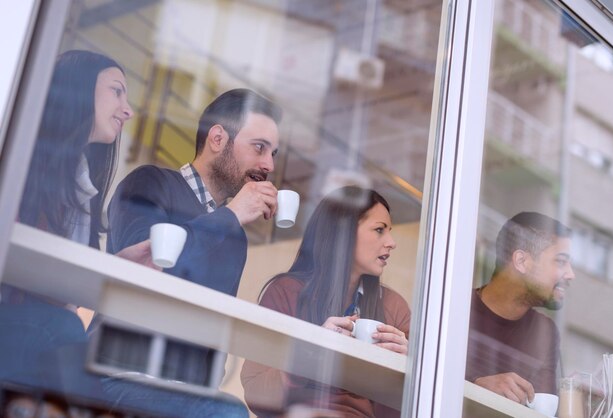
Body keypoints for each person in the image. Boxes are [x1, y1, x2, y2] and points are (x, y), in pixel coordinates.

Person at [2, 49, 151, 410]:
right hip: (16, 323)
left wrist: (117, 264)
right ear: (80, 89)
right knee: (67, 333)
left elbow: (64, 291)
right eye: (117, 91)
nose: (128, 110)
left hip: (40, 328)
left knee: (76, 337)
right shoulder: (22, 161)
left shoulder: (80, 181)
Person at [241, 186, 410, 418]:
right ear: (344, 232)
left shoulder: (394, 307)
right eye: (379, 230)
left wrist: (406, 371)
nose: (391, 242)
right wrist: (310, 354)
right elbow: (255, 393)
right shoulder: (287, 292)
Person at [107, 88, 282, 296]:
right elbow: (140, 271)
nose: (269, 165)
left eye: (273, 153)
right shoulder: (148, 183)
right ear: (217, 139)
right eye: (259, 147)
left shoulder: (236, 236)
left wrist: (231, 218)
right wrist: (232, 215)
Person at [465, 211, 575, 405]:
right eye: (560, 261)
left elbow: (543, 408)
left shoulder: (546, 332)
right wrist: (476, 386)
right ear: (522, 261)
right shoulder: (454, 309)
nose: (570, 274)